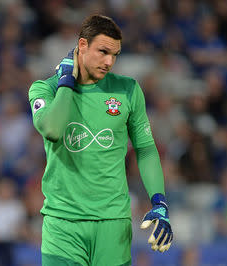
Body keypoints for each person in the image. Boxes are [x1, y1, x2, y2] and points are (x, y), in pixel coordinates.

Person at [28, 15, 173, 266]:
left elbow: (146, 148)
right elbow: (51, 129)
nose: (109, 62)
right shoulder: (45, 89)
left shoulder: (127, 89)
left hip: (113, 224)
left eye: (115, 55)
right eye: (103, 51)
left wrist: (159, 201)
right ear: (82, 45)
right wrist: (66, 84)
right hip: (63, 223)